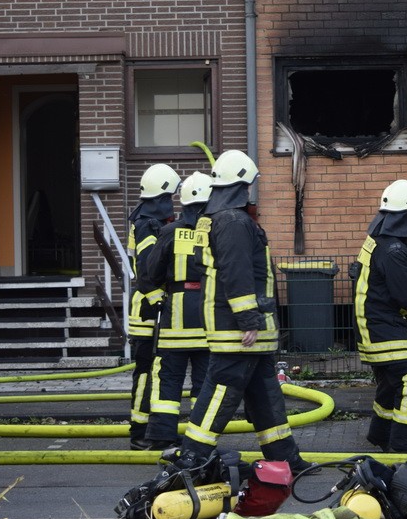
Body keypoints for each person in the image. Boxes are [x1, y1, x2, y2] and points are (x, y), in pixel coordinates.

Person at [171, 150, 312, 473]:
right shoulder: (233, 222)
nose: (251, 190)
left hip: (250, 330)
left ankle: (285, 458)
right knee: (221, 392)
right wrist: (248, 318)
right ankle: (192, 456)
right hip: (238, 330)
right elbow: (236, 273)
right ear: (241, 185)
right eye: (249, 184)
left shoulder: (219, 220)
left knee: (266, 396)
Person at [134, 171, 214, 450]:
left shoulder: (168, 232)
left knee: (168, 380)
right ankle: (198, 438)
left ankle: (161, 436)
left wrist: (158, 297)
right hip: (207, 318)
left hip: (174, 320)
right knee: (204, 382)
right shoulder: (218, 230)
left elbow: (148, 272)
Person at [353, 179, 407, 453]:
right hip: (382, 329)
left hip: (371, 327)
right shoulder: (393, 250)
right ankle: (402, 448)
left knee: (391, 383)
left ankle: (380, 436)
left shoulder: (377, 242)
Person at [127, 163, 181, 449]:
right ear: (160, 197)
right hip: (148, 310)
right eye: (169, 197)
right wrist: (160, 299)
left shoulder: (147, 220)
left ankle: (147, 429)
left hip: (149, 307)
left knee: (151, 371)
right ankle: (139, 431)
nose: (171, 203)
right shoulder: (148, 224)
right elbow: (148, 270)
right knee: (146, 371)